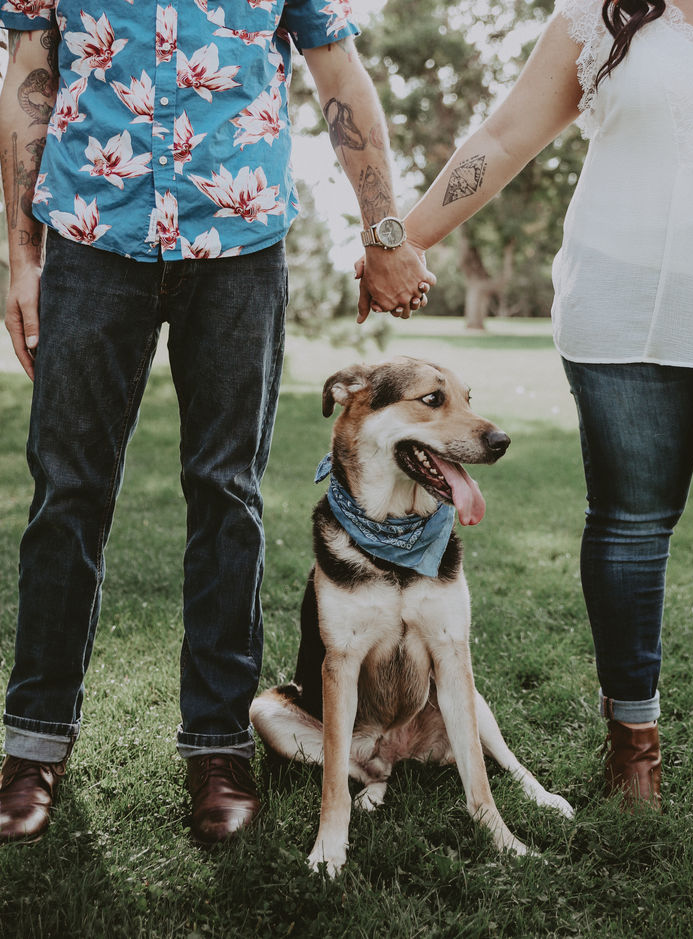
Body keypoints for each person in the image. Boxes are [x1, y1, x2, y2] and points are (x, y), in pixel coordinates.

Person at [0, 0, 434, 845]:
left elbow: (338, 71)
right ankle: (33, 747)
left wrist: (386, 231)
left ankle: (218, 746)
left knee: (227, 494)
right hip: (91, 235)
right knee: (68, 495)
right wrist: (20, 257)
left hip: (239, 242)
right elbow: (29, 76)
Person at [359, 0, 693, 809]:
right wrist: (401, 239)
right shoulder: (602, 17)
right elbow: (502, 139)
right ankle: (634, 747)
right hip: (625, 312)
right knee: (632, 525)